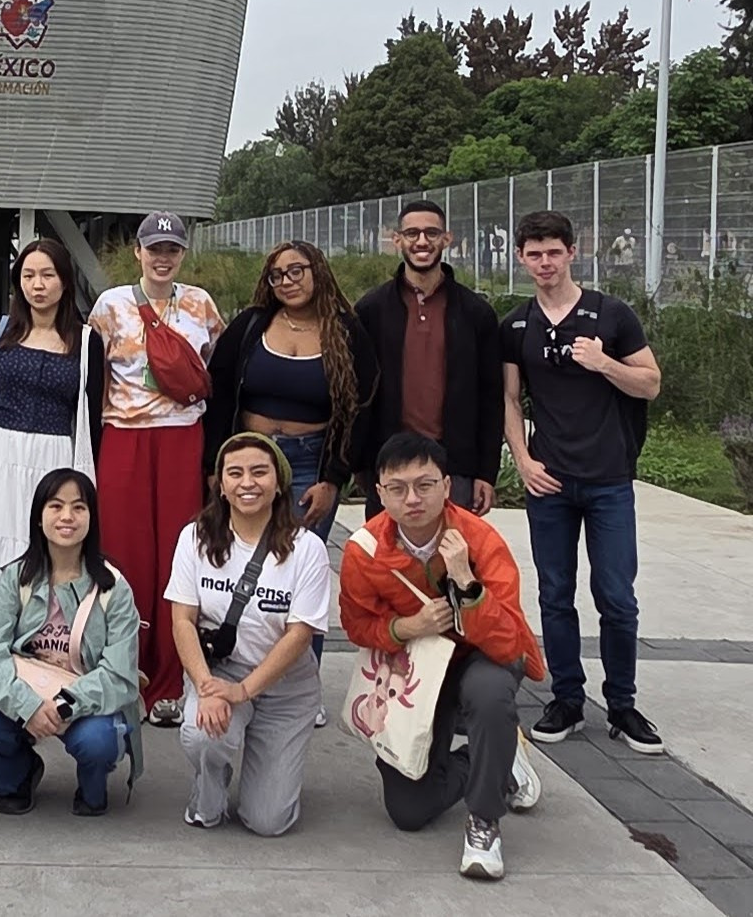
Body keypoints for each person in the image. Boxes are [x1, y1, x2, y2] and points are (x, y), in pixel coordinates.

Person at [339, 433, 546, 881]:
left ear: (447, 486)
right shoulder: (365, 549)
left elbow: (511, 642)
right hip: (414, 668)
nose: (412, 499)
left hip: (479, 657)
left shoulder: (480, 539)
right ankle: (495, 758)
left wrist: (467, 584)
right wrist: (406, 628)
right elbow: (357, 626)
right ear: (379, 493)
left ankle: (484, 820)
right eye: (398, 488)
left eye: (425, 485)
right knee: (409, 811)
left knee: (490, 693)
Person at [500, 209, 664, 755]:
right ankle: (567, 697)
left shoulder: (611, 315)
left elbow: (650, 384)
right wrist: (521, 459)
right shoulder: (517, 324)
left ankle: (623, 704)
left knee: (616, 595)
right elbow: (509, 397)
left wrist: (604, 364)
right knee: (554, 593)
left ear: (573, 253)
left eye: (554, 252)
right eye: (534, 254)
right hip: (550, 480)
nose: (544, 262)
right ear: (522, 259)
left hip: (608, 479)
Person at [87, 210, 225, 726]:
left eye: (172, 249)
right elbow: (94, 375)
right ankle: (125, 671)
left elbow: (211, 366)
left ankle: (171, 679)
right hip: (123, 435)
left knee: (177, 552)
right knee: (124, 554)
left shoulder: (200, 305)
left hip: (181, 437)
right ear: (138, 253)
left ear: (183, 254)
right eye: (154, 248)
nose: (162, 258)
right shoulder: (111, 305)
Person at [0, 239, 105, 655]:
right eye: (29, 276)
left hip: (54, 458)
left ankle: (43, 659)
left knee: (47, 555)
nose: (38, 285)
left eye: (48, 275)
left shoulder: (87, 342)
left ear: (65, 282)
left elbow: (91, 418)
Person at [168, 433, 331, 835]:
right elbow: (182, 620)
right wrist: (206, 686)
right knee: (203, 736)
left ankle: (272, 770)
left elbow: (299, 635)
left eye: (260, 472)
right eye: (235, 473)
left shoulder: (306, 548)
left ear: (279, 483)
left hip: (286, 685)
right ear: (220, 485)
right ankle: (209, 786)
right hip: (222, 671)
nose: (247, 483)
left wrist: (243, 693)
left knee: (268, 822)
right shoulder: (195, 538)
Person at [0, 468, 142, 816]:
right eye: (55, 506)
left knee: (97, 742)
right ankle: (19, 777)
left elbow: (120, 675)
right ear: (38, 517)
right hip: (26, 692)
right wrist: (26, 706)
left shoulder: (113, 587)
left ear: (92, 516)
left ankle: (92, 787)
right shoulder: (17, 578)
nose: (67, 517)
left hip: (84, 701)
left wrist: (64, 706)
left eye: (79, 507)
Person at [206, 238, 379, 549]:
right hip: (248, 456)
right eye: (277, 275)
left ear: (318, 272)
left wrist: (333, 480)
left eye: (296, 271)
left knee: (296, 559)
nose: (287, 281)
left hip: (309, 465)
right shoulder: (252, 324)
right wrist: (213, 467)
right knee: (242, 555)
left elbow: (361, 409)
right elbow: (217, 395)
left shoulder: (347, 333)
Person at [354, 201, 503, 517]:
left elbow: (491, 398)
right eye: (412, 233)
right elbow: (358, 392)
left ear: (447, 238)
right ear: (398, 240)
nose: (422, 241)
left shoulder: (476, 313)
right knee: (386, 563)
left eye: (431, 232)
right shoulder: (371, 310)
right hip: (389, 461)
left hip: (454, 466)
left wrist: (486, 473)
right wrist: (360, 462)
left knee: (449, 560)